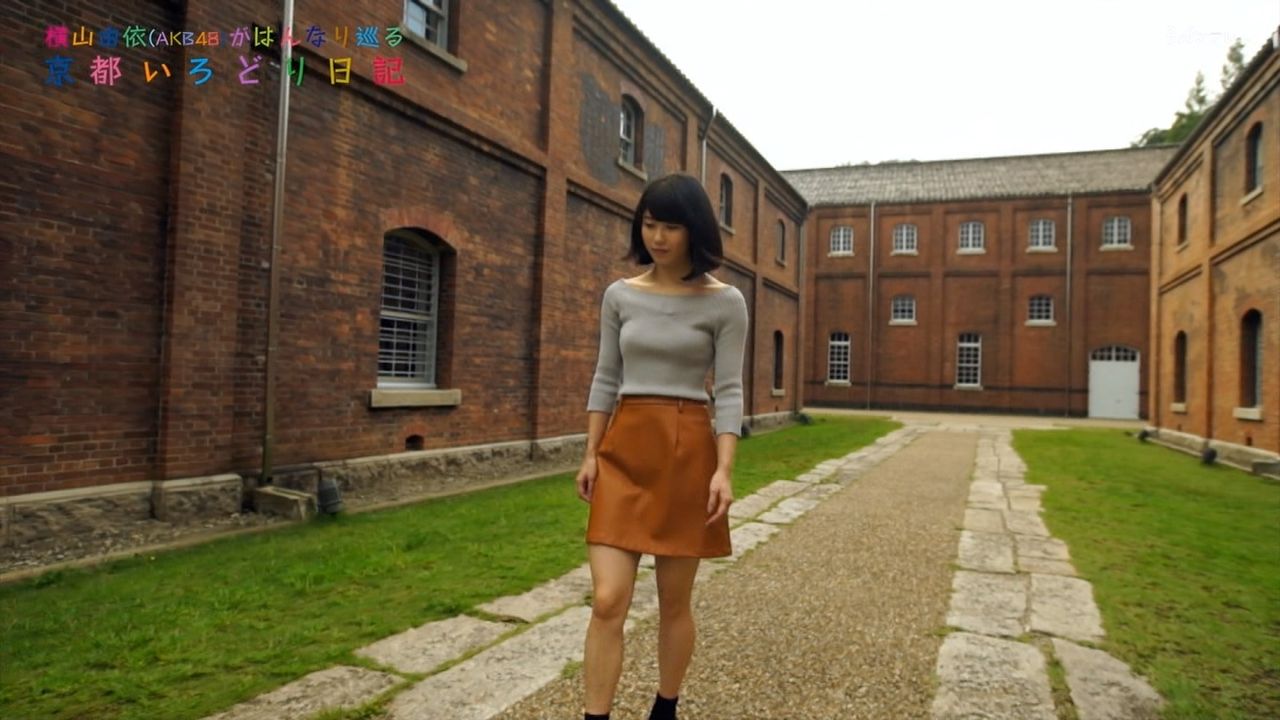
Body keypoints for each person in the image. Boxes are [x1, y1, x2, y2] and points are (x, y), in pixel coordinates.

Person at [576, 173, 749, 720]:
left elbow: (729, 390)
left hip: (688, 453)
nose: (657, 236)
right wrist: (590, 452)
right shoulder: (620, 296)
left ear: (694, 230)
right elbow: (606, 376)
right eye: (649, 224)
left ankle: (664, 709)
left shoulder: (726, 303)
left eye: (670, 226)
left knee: (675, 603)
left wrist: (723, 470)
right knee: (608, 599)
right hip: (624, 450)